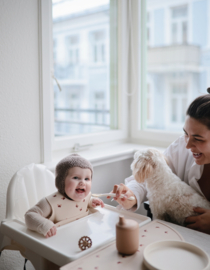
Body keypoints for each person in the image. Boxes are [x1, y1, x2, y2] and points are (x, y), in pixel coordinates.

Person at [110, 89, 210, 234]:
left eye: (198, 139)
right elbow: (152, 174)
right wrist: (131, 194)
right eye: (185, 133)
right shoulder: (181, 146)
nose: (188, 145)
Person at [25, 154, 104, 238]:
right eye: (76, 177)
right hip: (59, 241)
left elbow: (83, 203)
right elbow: (29, 215)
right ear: (61, 181)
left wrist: (91, 202)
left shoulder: (87, 196)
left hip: (82, 236)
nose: (83, 182)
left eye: (87, 179)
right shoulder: (51, 203)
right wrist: (44, 225)